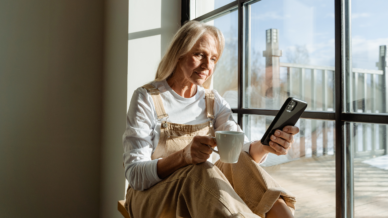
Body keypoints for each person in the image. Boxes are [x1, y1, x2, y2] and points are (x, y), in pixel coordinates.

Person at [123, 20, 299, 218]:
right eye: (199, 54)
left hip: (195, 194)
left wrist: (266, 146)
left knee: (236, 160)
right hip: (150, 197)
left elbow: (240, 149)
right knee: (200, 169)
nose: (207, 65)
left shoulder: (213, 100)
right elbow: (135, 174)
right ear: (179, 53)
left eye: (214, 58)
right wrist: (184, 157)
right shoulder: (147, 97)